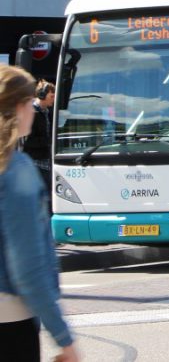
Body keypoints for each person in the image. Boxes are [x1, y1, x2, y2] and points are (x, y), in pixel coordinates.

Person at [0, 66, 80, 362]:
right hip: (11, 321)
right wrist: (64, 339)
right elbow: (28, 270)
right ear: (20, 108)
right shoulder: (15, 171)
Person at [22, 81, 55, 188]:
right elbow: (27, 141)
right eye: (51, 96)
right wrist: (49, 140)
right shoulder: (31, 113)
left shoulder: (47, 112)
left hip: (46, 162)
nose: (54, 99)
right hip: (36, 163)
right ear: (42, 94)